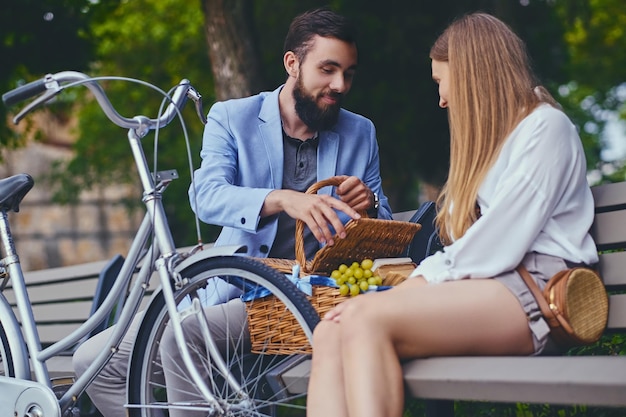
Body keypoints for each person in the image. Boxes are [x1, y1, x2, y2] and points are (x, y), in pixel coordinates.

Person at [73, 7, 392, 417]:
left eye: (348, 73)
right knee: (92, 364)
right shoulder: (232, 117)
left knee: (182, 336)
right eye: (328, 70)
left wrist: (368, 202)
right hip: (229, 287)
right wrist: (280, 199)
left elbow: (384, 223)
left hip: (308, 298)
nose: (339, 84)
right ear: (292, 63)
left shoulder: (360, 131)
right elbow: (205, 195)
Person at [306, 12, 599, 417]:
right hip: (487, 287)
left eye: (441, 82)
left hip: (536, 293)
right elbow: (469, 247)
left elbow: (497, 245)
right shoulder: (489, 147)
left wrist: (412, 286)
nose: (441, 98)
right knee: (328, 331)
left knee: (363, 320)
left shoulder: (545, 129)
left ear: (472, 74)